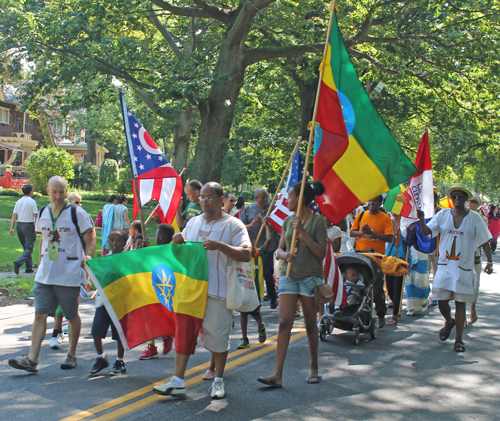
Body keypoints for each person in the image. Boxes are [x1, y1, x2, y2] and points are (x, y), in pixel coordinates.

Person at [153, 182, 251, 399]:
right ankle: (178, 380)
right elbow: (180, 254)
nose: (204, 201)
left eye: (209, 197)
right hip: (190, 290)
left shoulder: (234, 225)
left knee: (217, 337)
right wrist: (176, 242)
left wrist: (221, 247)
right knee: (184, 334)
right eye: (202, 198)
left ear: (220, 199)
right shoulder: (193, 223)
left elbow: (246, 253)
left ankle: (218, 380)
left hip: (218, 291)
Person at [8, 176, 96, 372]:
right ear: (47, 191)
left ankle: (72, 355)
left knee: (71, 315)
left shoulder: (77, 213)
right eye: (54, 192)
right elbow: (43, 240)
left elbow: (91, 239)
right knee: (39, 314)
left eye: (61, 192)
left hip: (69, 273)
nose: (58, 196)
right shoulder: (43, 213)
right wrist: (40, 261)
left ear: (66, 191)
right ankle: (32, 359)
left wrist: (88, 256)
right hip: (45, 273)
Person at [258, 180, 327, 388]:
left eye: (290, 196)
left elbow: (321, 253)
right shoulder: (288, 221)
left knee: (310, 323)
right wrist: (283, 254)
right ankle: (277, 374)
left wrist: (303, 232)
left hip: (310, 278)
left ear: (301, 199)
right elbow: (279, 249)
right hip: (289, 276)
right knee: (284, 322)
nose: (286, 199)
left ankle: (314, 367)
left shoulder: (318, 222)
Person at [417, 183, 493, 353]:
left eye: (461, 196)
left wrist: (490, 262)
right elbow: (428, 232)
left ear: (466, 199)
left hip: (463, 269)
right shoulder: (443, 214)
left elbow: (484, 241)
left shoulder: (474, 218)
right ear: (451, 199)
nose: (457, 198)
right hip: (444, 267)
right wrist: (421, 219)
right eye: (455, 196)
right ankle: (449, 321)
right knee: (441, 301)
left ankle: (458, 340)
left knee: (460, 305)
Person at [49, 192, 91, 349]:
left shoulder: (83, 219)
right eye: (75, 202)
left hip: (76, 268)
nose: (78, 204)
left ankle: (62, 334)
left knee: (72, 305)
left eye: (80, 202)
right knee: (62, 303)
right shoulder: (61, 219)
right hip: (60, 267)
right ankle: (56, 332)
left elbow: (88, 244)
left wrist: (86, 273)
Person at [350, 195, 394, 328]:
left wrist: (372, 233)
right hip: (361, 256)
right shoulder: (362, 215)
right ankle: (362, 314)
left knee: (376, 288)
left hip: (376, 257)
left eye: (375, 201)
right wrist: (362, 233)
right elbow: (352, 233)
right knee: (360, 286)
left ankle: (381, 314)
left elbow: (390, 238)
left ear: (380, 203)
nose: (371, 203)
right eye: (370, 200)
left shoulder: (385, 218)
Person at [89, 229, 128, 376]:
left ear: (125, 243)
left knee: (119, 334)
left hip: (119, 303)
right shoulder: (104, 258)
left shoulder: (126, 259)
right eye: (111, 240)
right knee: (96, 331)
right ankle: (101, 357)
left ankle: (120, 361)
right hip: (103, 301)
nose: (114, 243)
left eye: (118, 241)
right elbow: (99, 275)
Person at [139, 224, 176, 360]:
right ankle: (152, 346)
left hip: (165, 292)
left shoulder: (171, 251)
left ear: (160, 237)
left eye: (156, 235)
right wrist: (143, 250)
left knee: (164, 316)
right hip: (151, 290)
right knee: (149, 318)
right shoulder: (152, 250)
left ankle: (167, 334)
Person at [241, 188, 280, 309]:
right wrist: (254, 224)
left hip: (269, 246)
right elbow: (242, 226)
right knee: (253, 273)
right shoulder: (248, 209)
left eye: (266, 197)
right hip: (253, 246)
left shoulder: (273, 207)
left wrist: (267, 225)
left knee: (268, 273)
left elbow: (279, 226)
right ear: (255, 198)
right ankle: (255, 299)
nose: (265, 200)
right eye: (262, 197)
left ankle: (273, 296)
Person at [237, 229, 270, 349]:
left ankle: (260, 326)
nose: (250, 242)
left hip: (255, 291)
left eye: (252, 240)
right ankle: (244, 338)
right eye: (247, 240)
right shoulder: (240, 254)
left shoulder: (259, 253)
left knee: (255, 313)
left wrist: (267, 227)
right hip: (243, 289)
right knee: (243, 313)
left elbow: (269, 240)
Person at [467, 193, 488, 324]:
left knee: (475, 284)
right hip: (461, 255)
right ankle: (461, 313)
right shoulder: (460, 216)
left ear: (479, 204)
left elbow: (484, 240)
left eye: (473, 201)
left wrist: (489, 261)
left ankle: (473, 306)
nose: (470, 203)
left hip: (475, 255)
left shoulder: (482, 219)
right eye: (469, 200)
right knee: (462, 283)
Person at [10, 184, 39, 274]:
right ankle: (19, 262)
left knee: (26, 247)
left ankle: (28, 267)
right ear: (31, 191)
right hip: (28, 226)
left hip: (19, 225)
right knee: (29, 247)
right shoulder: (32, 202)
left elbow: (14, 215)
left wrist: (12, 228)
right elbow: (36, 215)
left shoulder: (18, 201)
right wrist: (38, 227)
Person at [385, 214, 406, 325]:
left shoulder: (406, 224)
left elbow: (411, 241)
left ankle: (394, 315)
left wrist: (410, 231)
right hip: (389, 257)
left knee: (398, 287)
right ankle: (397, 308)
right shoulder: (388, 222)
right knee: (390, 287)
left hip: (401, 258)